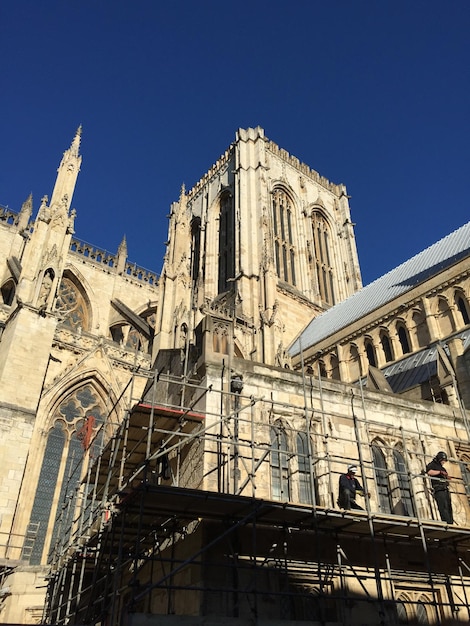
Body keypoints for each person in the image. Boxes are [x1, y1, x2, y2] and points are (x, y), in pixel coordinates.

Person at [426, 451, 454, 524]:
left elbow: (445, 476)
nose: (443, 462)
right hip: (439, 489)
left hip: (445, 488)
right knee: (443, 506)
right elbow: (429, 472)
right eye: (443, 461)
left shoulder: (442, 468)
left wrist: (447, 477)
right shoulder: (432, 465)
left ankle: (450, 522)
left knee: (448, 506)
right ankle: (446, 522)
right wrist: (439, 472)